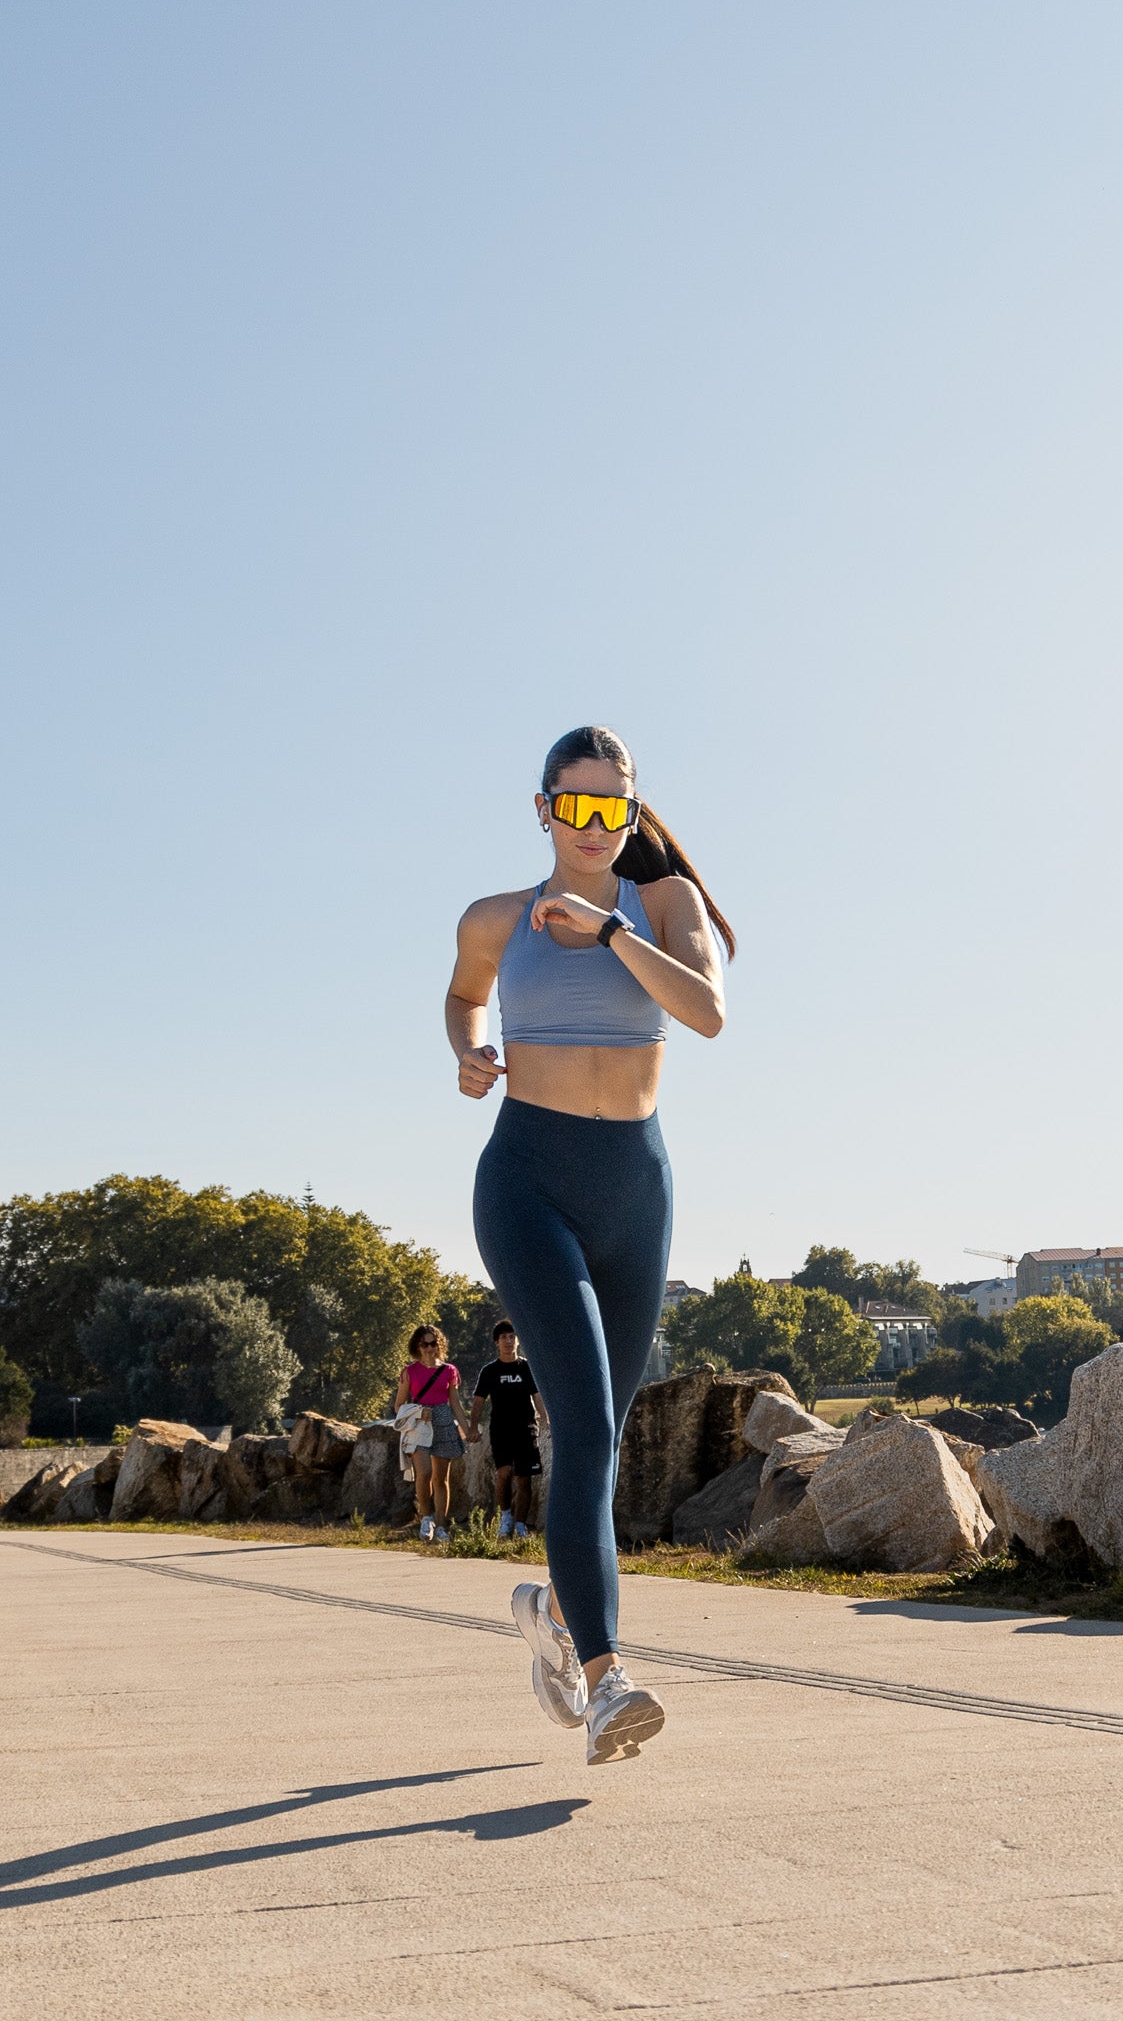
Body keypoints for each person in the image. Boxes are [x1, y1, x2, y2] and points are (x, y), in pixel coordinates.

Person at [446, 725, 731, 1766]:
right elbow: (462, 993)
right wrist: (470, 1050)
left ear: (629, 806)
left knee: (600, 1438)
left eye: (611, 804)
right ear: (542, 810)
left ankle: (556, 1615)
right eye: (574, 805)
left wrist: (609, 931)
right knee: (576, 1414)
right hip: (526, 1178)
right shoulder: (495, 916)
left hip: (634, 1188)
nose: (594, 823)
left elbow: (705, 1012)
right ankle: (609, 1679)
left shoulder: (663, 906)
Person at [397, 1325, 478, 1541]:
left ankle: (441, 1526)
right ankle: (426, 1517)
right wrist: (417, 1413)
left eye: (434, 1343)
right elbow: (398, 1406)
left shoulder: (449, 1371)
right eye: (425, 1344)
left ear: (439, 1344)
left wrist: (467, 1428)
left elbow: (456, 1404)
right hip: (420, 1424)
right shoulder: (409, 1372)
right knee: (423, 1473)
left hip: (443, 1421)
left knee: (441, 1479)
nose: (430, 1348)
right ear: (418, 1346)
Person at [472, 1318, 548, 1538]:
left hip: (526, 1428)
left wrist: (544, 1420)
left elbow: (537, 1395)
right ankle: (505, 1516)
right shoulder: (490, 1371)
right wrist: (472, 1426)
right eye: (504, 1337)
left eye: (512, 1336)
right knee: (504, 1473)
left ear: (518, 1341)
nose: (508, 1341)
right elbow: (478, 1401)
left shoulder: (526, 1367)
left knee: (524, 1477)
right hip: (500, 1429)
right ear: (497, 1342)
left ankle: (520, 1524)